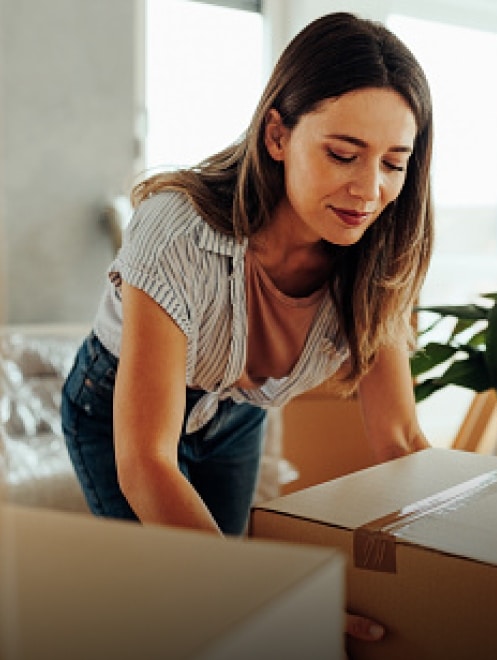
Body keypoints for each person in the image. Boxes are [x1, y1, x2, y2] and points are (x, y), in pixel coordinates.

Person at [60, 11, 433, 645]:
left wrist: (471, 559)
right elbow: (147, 460)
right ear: (277, 135)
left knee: (224, 599)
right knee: (171, 599)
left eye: (394, 164)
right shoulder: (175, 229)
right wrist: (276, 599)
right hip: (116, 411)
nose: (369, 191)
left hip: (236, 415)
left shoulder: (382, 252)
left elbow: (398, 438)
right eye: (343, 154)